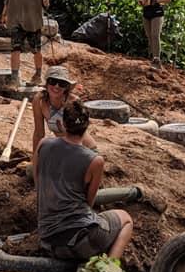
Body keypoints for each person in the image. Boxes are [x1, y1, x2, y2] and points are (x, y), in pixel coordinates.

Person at [35, 100, 134, 261]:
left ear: (62, 124)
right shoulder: (95, 161)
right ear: (88, 126)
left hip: (48, 242)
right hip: (81, 242)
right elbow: (89, 201)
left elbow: (37, 180)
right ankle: (109, 270)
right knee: (125, 218)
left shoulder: (43, 145)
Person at [31, 66, 97, 169]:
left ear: (66, 87)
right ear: (47, 84)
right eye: (53, 81)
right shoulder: (39, 100)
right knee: (32, 170)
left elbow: (77, 135)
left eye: (61, 83)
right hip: (63, 148)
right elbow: (39, 133)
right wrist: (35, 159)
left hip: (83, 149)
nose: (56, 86)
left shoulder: (74, 102)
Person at [2, 0, 49, 87]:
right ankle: (14, 78)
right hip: (15, 18)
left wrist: (46, 0)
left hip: (33, 20)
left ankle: (38, 75)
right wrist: (4, 14)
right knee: (15, 48)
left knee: (36, 50)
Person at [137, 0, 171, 69]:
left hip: (157, 12)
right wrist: (141, 1)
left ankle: (157, 59)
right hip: (146, 12)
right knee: (149, 36)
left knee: (155, 35)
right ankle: (153, 58)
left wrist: (155, 0)